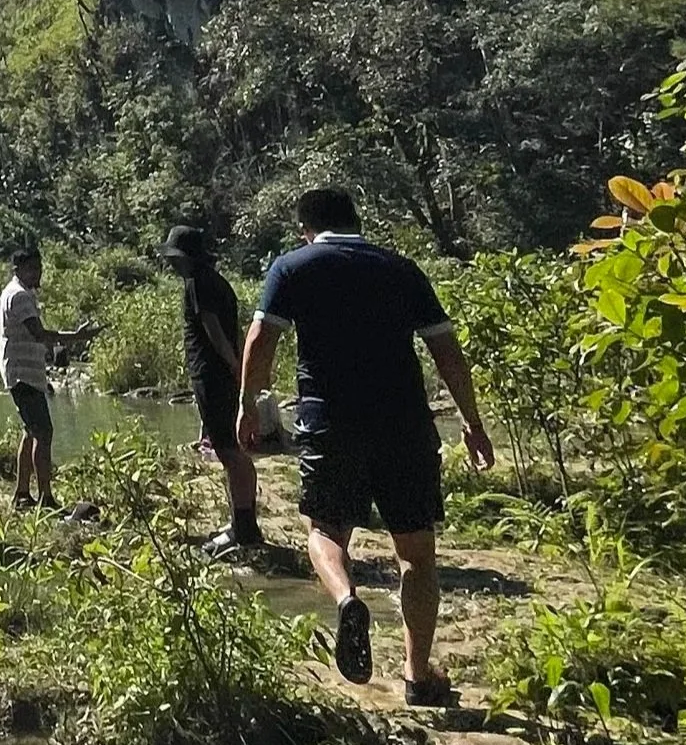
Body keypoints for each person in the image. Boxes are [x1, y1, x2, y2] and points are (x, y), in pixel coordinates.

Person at [236, 188, 496, 707]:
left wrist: (247, 405)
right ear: (357, 221)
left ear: (305, 229)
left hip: (332, 422)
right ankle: (418, 676)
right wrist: (472, 422)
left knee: (325, 530)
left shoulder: (294, 266)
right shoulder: (401, 268)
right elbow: (446, 349)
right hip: (404, 424)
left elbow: (261, 338)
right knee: (417, 554)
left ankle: (346, 597)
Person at [161, 225, 261, 556]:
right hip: (220, 375)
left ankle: (243, 528)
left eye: (175, 258)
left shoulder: (197, 283)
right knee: (232, 450)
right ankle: (244, 523)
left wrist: (234, 367)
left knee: (230, 452)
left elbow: (213, 331)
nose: (172, 265)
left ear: (186, 258)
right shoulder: (216, 281)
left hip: (213, 375)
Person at [0, 248, 98, 511]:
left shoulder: (8, 292)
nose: (38, 273)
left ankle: (23, 494)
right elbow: (38, 334)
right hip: (24, 374)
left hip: (17, 371)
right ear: (19, 270)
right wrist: (76, 337)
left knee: (31, 432)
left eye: (39, 268)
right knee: (44, 433)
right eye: (32, 269)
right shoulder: (21, 296)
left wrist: (10, 340)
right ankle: (45, 498)